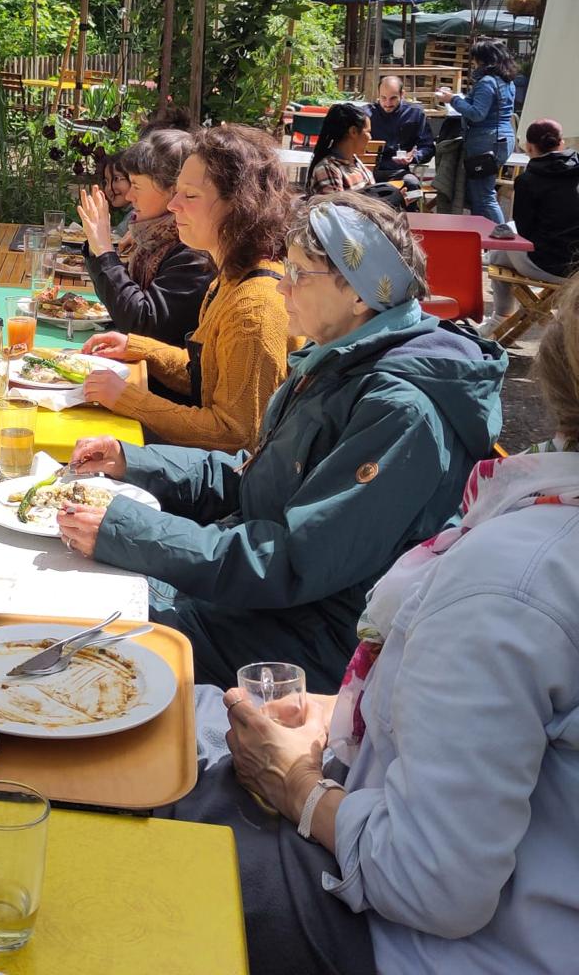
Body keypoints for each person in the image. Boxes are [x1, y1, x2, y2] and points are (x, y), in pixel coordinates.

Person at [168, 274, 579, 975]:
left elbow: (428, 885)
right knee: (179, 715)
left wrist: (296, 786)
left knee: (133, 806)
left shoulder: (517, 574)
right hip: (379, 784)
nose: (283, 284)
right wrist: (343, 713)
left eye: (302, 268)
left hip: (407, 940)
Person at [60, 191, 506, 694]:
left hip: (316, 643)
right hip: (267, 601)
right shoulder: (338, 358)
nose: (282, 287)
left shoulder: (400, 409)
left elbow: (294, 561)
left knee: (80, 633)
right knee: (72, 583)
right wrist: (133, 461)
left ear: (361, 294)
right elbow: (257, 477)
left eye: (299, 274)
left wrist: (128, 531)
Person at [78, 125, 292, 453]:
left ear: (240, 205)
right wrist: (138, 348)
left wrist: (128, 399)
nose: (174, 204)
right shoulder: (231, 277)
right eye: (176, 192)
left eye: (189, 195)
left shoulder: (255, 308)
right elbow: (204, 373)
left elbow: (237, 437)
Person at [78, 131, 213, 345]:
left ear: (172, 189)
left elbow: (143, 325)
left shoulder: (194, 252)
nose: (129, 196)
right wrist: (98, 248)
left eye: (137, 186)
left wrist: (105, 251)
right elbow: (119, 304)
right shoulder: (153, 239)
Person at [482, 117, 579, 334]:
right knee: (505, 241)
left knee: (503, 244)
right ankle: (502, 319)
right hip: (577, 267)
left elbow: (524, 234)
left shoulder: (528, 180)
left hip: (550, 265)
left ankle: (500, 318)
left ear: (529, 147)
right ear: (562, 143)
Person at [436, 37, 516, 225]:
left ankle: (501, 234)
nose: (473, 63)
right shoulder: (507, 81)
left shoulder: (487, 82)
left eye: (475, 59)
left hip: (485, 142)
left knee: (484, 195)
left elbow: (477, 113)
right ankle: (484, 235)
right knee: (480, 194)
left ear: (483, 60)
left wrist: (452, 100)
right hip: (502, 139)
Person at [368, 75, 434, 182]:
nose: (387, 103)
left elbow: (427, 147)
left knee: (412, 183)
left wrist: (414, 156)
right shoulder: (367, 114)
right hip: (369, 172)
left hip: (399, 171)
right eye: (383, 98)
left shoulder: (415, 114)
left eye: (393, 98)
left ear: (402, 94)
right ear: (378, 94)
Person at [307, 102, 375, 195]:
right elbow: (337, 203)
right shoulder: (328, 169)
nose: (370, 137)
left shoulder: (354, 161)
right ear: (353, 131)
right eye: (368, 132)